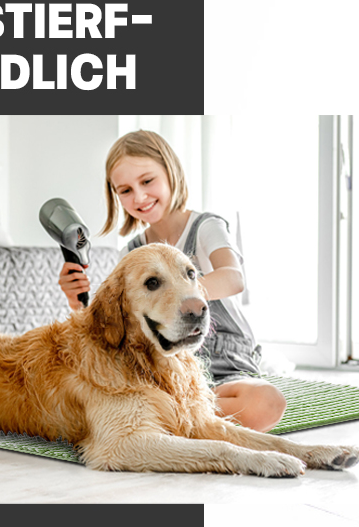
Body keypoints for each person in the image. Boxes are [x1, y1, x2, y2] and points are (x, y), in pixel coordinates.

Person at [58, 130, 288, 432]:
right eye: (125, 190)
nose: (138, 197)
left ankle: (168, 420)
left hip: (223, 361)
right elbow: (114, 328)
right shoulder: (131, 253)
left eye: (147, 181)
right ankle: (186, 420)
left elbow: (233, 278)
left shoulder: (206, 226)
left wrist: (176, 294)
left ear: (171, 172)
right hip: (164, 364)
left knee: (266, 403)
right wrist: (77, 300)